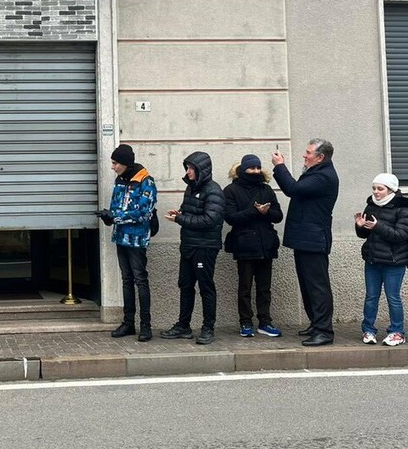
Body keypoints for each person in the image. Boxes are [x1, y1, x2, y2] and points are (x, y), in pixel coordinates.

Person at [271, 139, 339, 347]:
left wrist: (280, 166)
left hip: (314, 239)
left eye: (309, 153)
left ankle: (324, 331)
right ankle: (316, 324)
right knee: (307, 285)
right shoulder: (316, 172)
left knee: (317, 287)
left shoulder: (323, 176)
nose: (304, 155)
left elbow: (293, 188)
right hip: (305, 238)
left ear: (320, 157)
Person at [161, 152, 224, 345]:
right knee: (185, 285)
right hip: (188, 245)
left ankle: (208, 328)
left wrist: (180, 219)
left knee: (206, 287)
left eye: (191, 168)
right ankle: (183, 326)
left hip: (204, 247)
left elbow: (209, 220)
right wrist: (180, 213)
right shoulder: (191, 188)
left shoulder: (213, 190)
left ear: (201, 170)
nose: (188, 172)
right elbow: (191, 212)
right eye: (187, 168)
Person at [97, 144, 157, 343]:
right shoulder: (120, 180)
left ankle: (146, 325)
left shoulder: (145, 181)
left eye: (115, 163)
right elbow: (116, 207)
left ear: (125, 163)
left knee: (140, 280)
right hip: (121, 237)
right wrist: (108, 216)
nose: (112, 167)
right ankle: (128, 323)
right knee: (126, 280)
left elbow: (144, 213)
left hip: (137, 240)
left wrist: (116, 217)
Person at [222, 154, 283, 339]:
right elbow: (230, 217)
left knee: (264, 288)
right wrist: (254, 211)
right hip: (244, 245)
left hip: (266, 245)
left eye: (258, 168)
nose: (256, 171)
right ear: (243, 170)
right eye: (252, 168)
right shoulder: (231, 190)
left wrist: (266, 212)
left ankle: (265, 322)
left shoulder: (266, 189)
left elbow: (278, 215)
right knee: (245, 288)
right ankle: (245, 323)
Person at [354, 173, 408, 347]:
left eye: (380, 189)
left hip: (394, 261)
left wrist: (378, 226)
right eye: (374, 188)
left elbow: (401, 235)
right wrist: (360, 226)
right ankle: (368, 330)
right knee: (371, 297)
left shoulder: (405, 209)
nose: (376, 192)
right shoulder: (371, 206)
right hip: (373, 259)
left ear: (391, 190)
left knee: (393, 297)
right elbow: (365, 234)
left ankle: (397, 332)